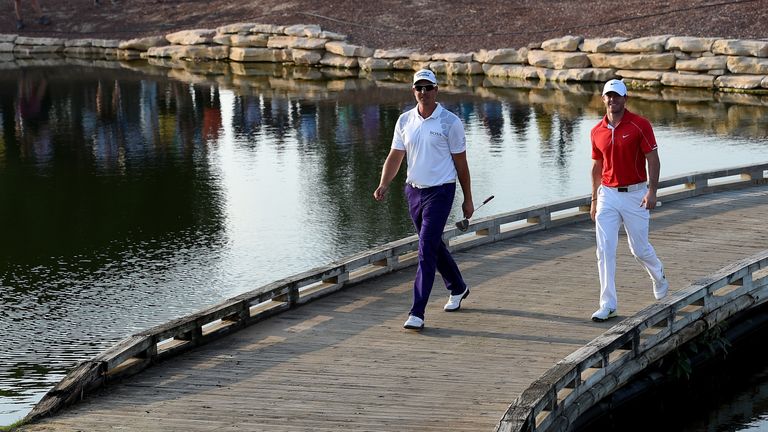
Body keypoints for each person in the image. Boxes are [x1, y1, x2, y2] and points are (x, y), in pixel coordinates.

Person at [373, 69, 474, 331]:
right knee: (432, 246)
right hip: (413, 192)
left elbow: (461, 165)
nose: (423, 92)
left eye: (428, 87)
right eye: (419, 88)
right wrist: (385, 183)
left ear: (437, 90)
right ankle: (458, 287)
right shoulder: (405, 120)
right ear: (413, 91)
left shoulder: (450, 122)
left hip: (441, 191)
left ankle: (417, 312)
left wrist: (467, 199)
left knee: (425, 250)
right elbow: (395, 156)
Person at [589, 79, 669, 322]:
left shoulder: (640, 125)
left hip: (635, 194)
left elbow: (653, 160)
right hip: (608, 195)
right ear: (603, 99)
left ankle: (658, 275)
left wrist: (652, 191)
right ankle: (608, 303)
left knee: (639, 249)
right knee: (604, 249)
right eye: (608, 96)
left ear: (625, 98)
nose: (612, 100)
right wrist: (594, 199)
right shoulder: (596, 131)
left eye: (617, 96)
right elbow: (596, 166)